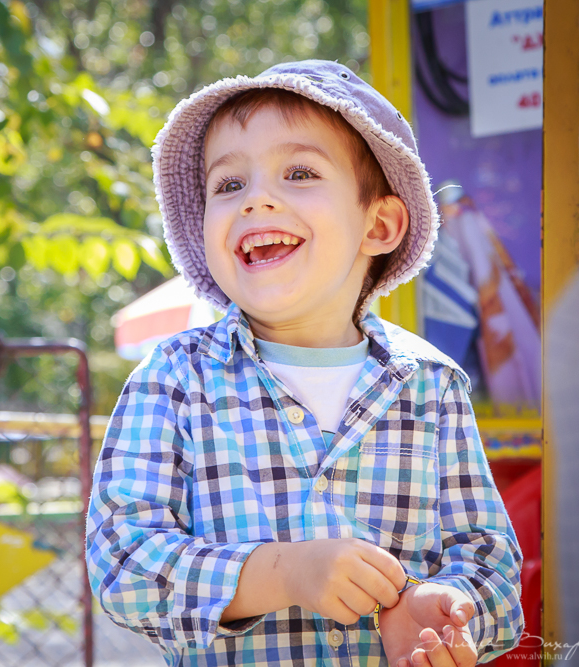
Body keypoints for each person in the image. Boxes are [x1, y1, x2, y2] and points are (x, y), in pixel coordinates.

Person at [86, 60, 523, 666]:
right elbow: (121, 563)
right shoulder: (172, 378)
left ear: (379, 225)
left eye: (297, 172)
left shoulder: (432, 384)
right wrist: (282, 572)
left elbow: (490, 558)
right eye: (228, 184)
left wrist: (445, 603)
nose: (255, 199)